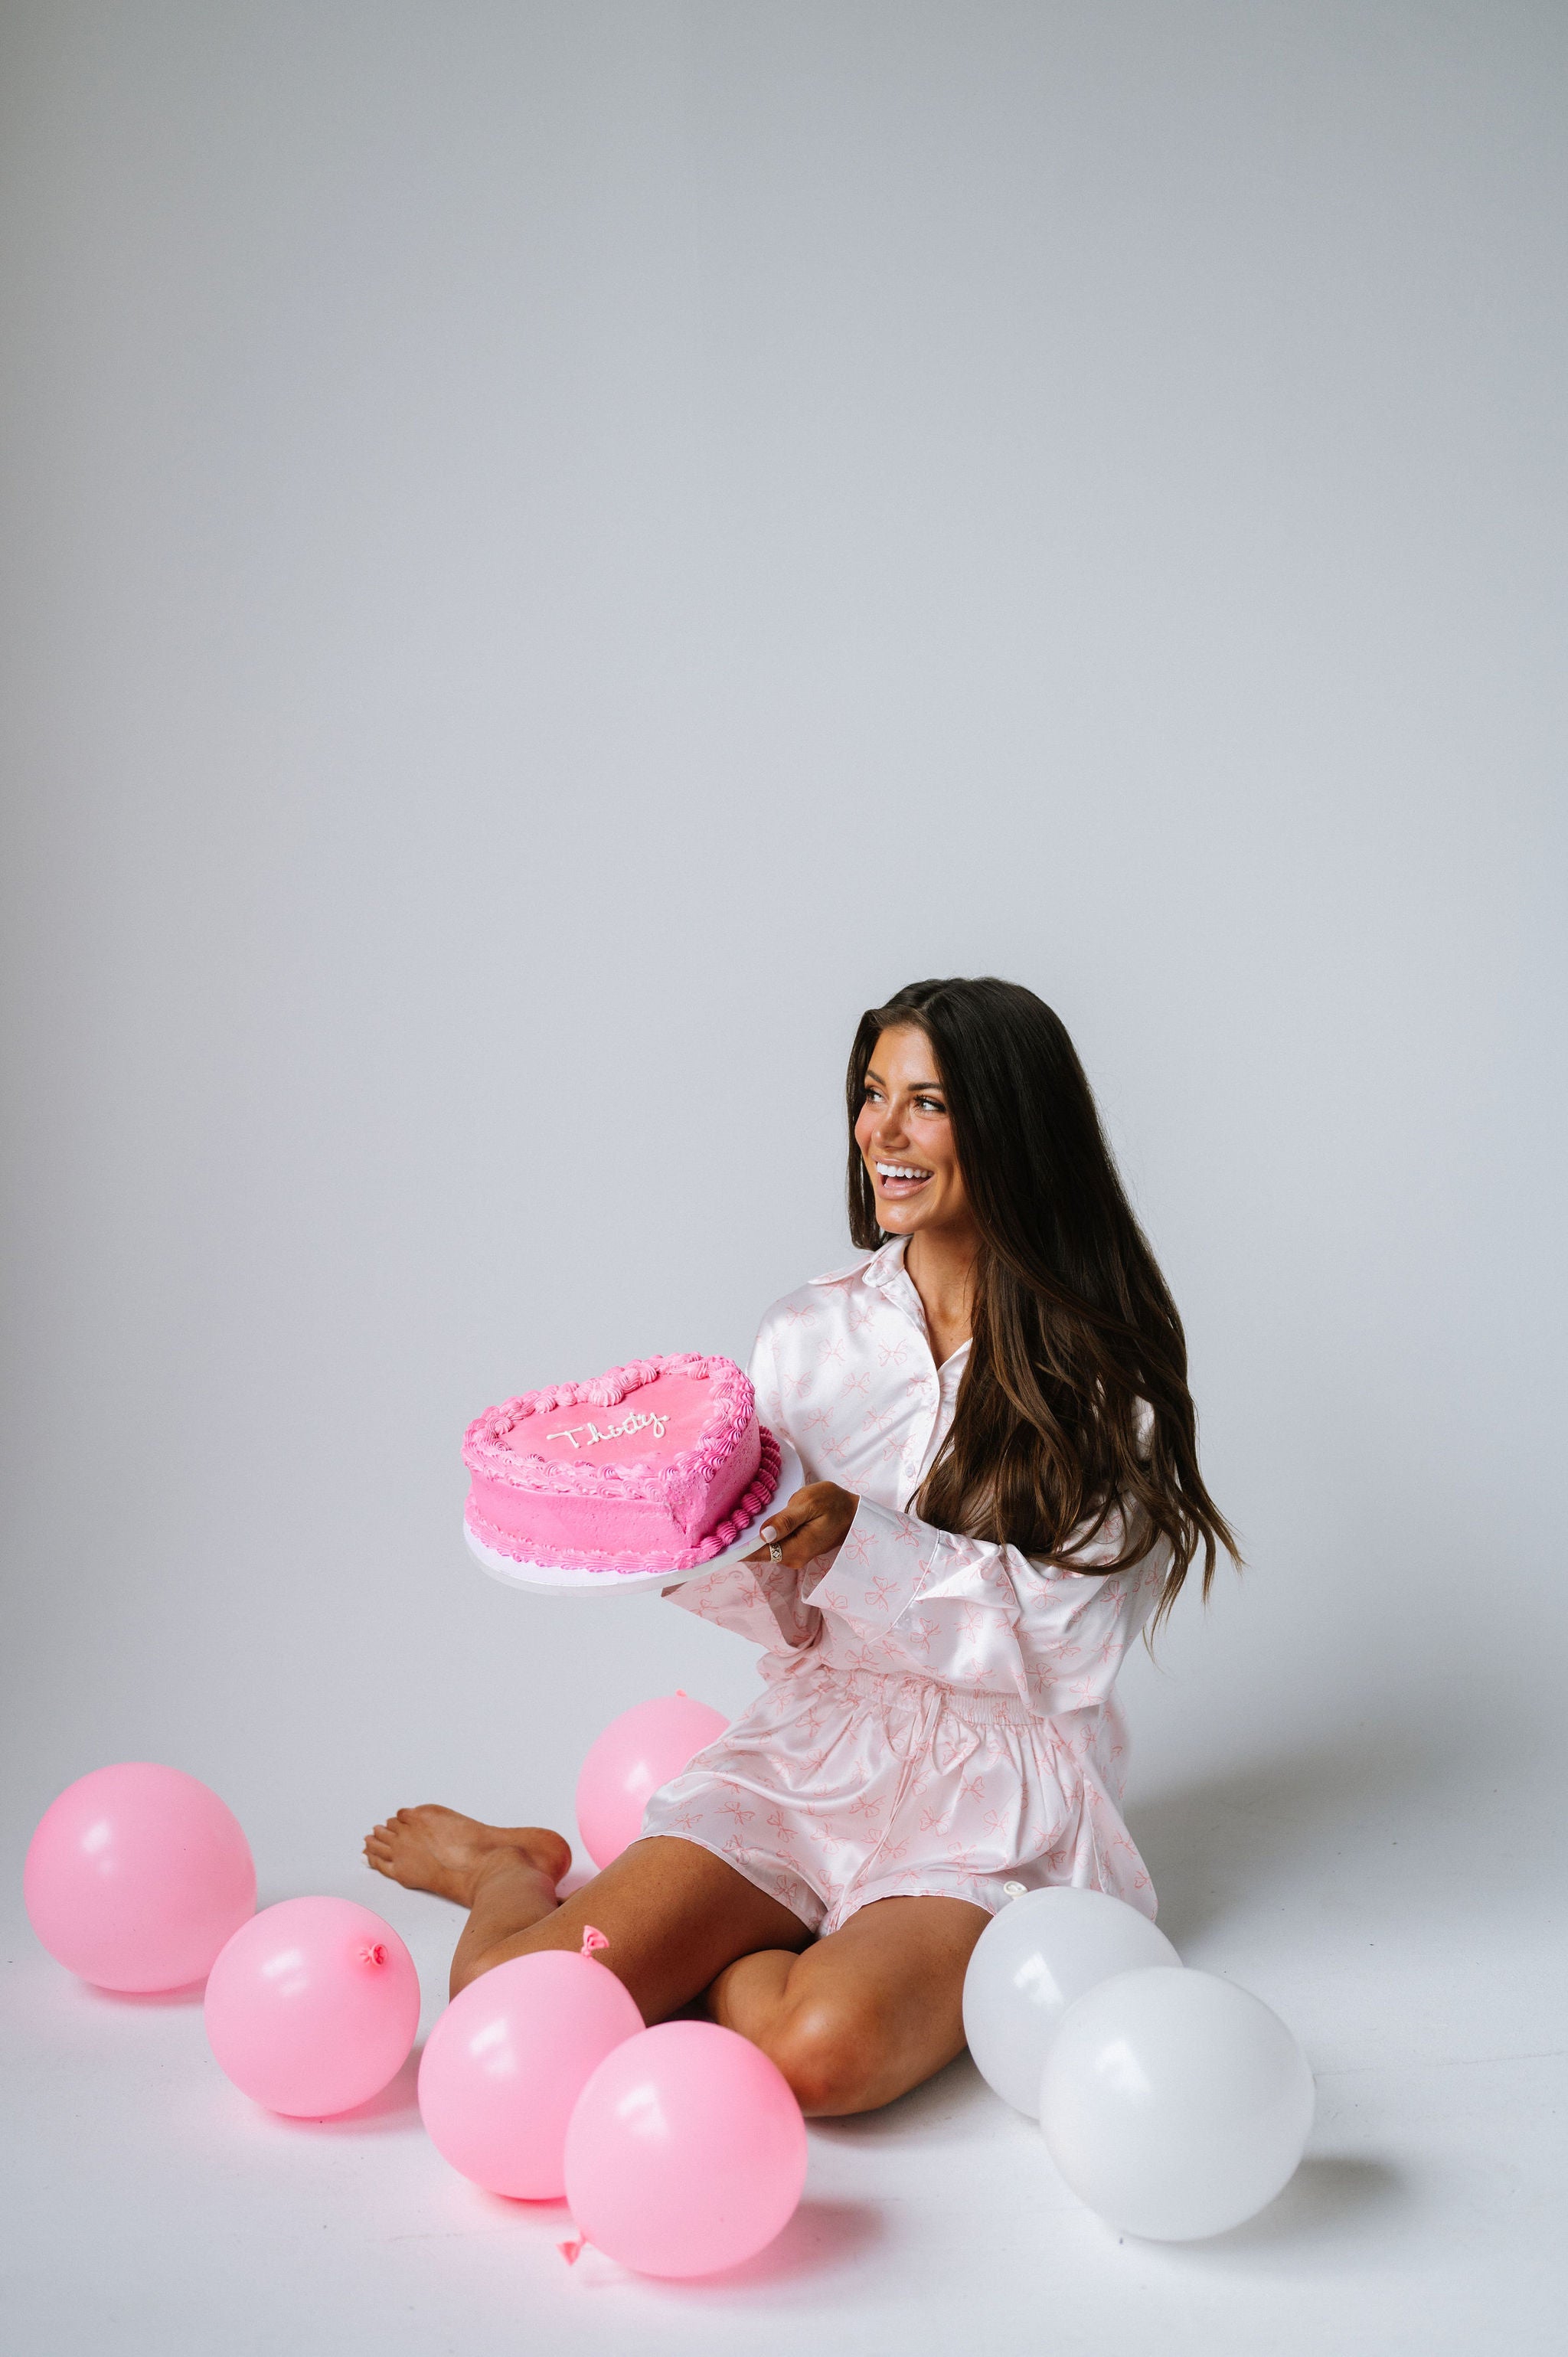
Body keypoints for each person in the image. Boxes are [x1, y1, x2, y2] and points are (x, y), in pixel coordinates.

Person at [365, 976, 1236, 2117]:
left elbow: (1071, 1648)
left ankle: (733, 1951)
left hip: (995, 1787)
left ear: (1013, 1125)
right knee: (505, 1993)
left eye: (926, 1102)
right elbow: (794, 1614)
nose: (881, 1130)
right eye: (871, 1094)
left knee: (815, 2053)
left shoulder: (1105, 1372)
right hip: (816, 1746)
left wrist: (862, 1544)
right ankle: (505, 1867)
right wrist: (675, 1528)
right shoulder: (806, 1334)